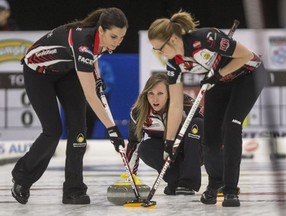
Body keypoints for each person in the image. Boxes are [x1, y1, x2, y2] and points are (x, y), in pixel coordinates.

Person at [147, 11, 270, 207]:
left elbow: (246, 55)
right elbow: (176, 105)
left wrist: (219, 73)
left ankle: (230, 189)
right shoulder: (174, 65)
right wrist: (169, 141)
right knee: (210, 134)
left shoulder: (206, 39)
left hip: (249, 75)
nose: (159, 54)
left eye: (159, 49)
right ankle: (216, 183)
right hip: (219, 82)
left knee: (231, 126)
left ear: (171, 40)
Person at [11, 7, 128, 205]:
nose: (117, 42)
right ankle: (21, 178)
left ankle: (74, 190)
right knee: (53, 131)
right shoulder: (82, 44)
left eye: (122, 37)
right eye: (114, 37)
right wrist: (112, 129)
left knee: (79, 129)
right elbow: (92, 97)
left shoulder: (98, 39)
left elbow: (95, 56)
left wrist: (96, 76)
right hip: (38, 73)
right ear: (101, 30)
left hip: (66, 72)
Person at [126, 73, 203, 195]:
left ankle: (187, 183)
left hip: (193, 150)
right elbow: (134, 144)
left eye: (160, 94)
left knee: (197, 124)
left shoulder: (186, 103)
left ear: (169, 94)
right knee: (145, 148)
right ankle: (175, 181)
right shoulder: (138, 113)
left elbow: (208, 130)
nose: (155, 99)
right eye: (151, 93)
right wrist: (130, 178)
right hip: (169, 152)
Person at [86, 60, 115, 139]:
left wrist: (99, 94)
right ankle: (85, 138)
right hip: (87, 101)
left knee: (107, 115)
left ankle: (110, 138)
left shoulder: (104, 66)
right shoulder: (83, 65)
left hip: (101, 98)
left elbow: (109, 83)